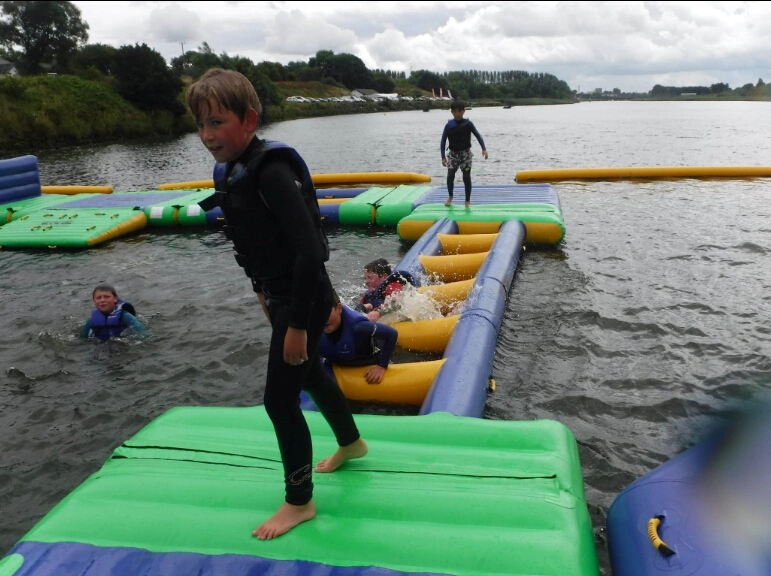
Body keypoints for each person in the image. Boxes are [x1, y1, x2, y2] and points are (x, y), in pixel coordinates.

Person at [186, 68, 367, 541]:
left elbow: (308, 249)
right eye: (201, 125)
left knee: (279, 402)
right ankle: (352, 441)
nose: (207, 136)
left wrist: (297, 325)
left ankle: (299, 502)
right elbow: (251, 242)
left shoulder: (272, 171)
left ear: (248, 119)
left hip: (302, 297)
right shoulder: (234, 170)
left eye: (217, 123)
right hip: (283, 294)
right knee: (310, 375)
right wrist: (262, 295)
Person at [322, 291, 398, 384]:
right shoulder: (311, 327)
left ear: (338, 309)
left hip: (365, 360)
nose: (320, 319)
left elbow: (392, 334)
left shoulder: (359, 327)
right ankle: (365, 306)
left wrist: (381, 366)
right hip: (334, 362)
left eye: (325, 312)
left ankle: (368, 306)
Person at [440, 100, 488, 209]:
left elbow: (478, 136)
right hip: (453, 155)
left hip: (465, 154)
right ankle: (450, 196)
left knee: (466, 177)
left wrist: (484, 149)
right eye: (455, 111)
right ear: (451, 112)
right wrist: (443, 157)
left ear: (463, 112)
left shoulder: (468, 124)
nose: (457, 114)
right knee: (450, 175)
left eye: (459, 111)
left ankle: (467, 201)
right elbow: (443, 141)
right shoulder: (449, 125)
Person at [81, 284, 146, 340]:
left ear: (115, 299)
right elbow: (82, 340)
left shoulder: (125, 317)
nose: (102, 300)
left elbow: (146, 336)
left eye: (106, 297)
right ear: (94, 301)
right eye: (98, 298)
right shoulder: (91, 320)